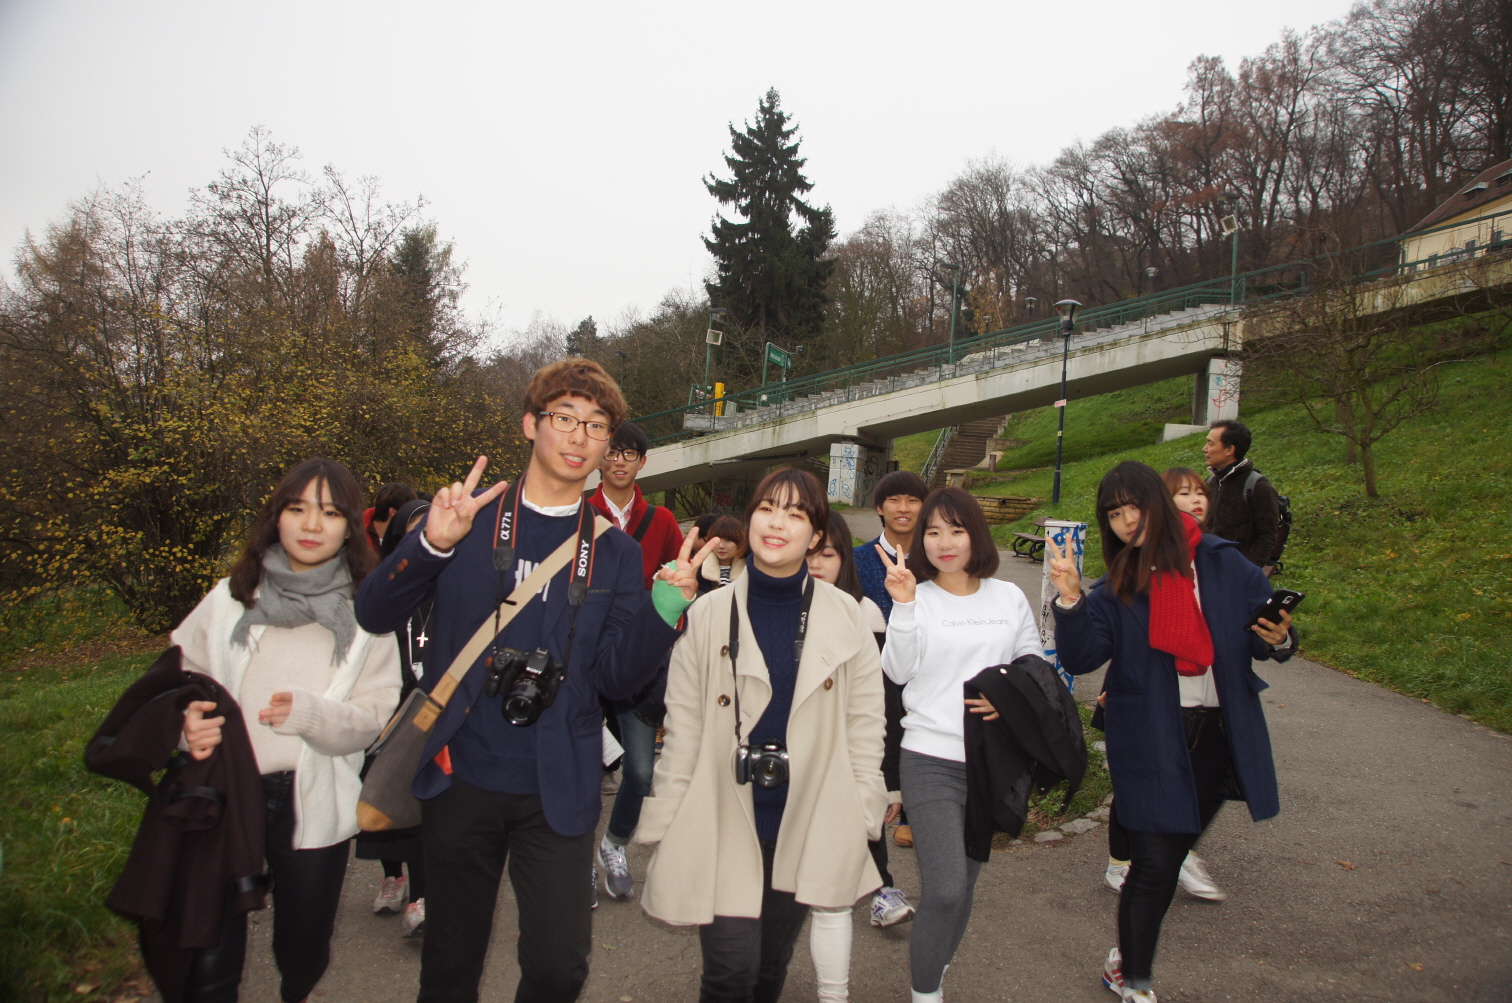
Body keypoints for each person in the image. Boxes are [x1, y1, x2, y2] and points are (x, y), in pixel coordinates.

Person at [354, 358, 717, 1003]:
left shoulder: (614, 551)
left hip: (559, 784)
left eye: (596, 426)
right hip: (460, 774)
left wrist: (665, 610)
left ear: (608, 445)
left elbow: (616, 679)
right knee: (449, 965)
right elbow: (374, 612)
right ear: (530, 424)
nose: (579, 437)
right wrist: (430, 546)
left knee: (558, 969)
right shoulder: (466, 522)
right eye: (564, 418)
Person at [636, 468, 888, 1003]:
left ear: (816, 536)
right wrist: (669, 811)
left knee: (771, 967)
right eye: (767, 509)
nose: (777, 524)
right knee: (730, 972)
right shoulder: (709, 614)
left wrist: (864, 804)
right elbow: (683, 725)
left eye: (795, 514)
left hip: (807, 812)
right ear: (750, 520)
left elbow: (865, 723)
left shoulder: (847, 616)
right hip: (723, 810)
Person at [1047, 460, 1294, 1003]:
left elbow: (1264, 630)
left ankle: (1124, 960)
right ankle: (1135, 978)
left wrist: (1280, 638)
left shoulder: (1223, 563)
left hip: (1220, 735)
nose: (1127, 521)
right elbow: (1082, 657)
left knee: (1169, 859)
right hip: (1153, 739)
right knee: (1156, 862)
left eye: (1134, 507)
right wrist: (1070, 600)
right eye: (1114, 514)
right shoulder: (1116, 588)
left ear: (1158, 503)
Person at [173, 457, 402, 1003]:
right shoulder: (230, 599)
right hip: (223, 792)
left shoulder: (368, 613)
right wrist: (185, 725)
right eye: (297, 509)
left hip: (309, 799)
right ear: (276, 516)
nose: (311, 524)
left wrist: (312, 716)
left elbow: (374, 716)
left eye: (330, 512)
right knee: (208, 956)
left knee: (303, 952)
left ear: (351, 526)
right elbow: (179, 679)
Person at [877, 487, 1042, 1003]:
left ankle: (936, 967)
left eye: (956, 530)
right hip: (930, 757)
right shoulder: (917, 597)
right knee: (946, 886)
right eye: (932, 532)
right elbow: (896, 671)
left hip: (991, 761)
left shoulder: (1007, 596)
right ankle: (926, 993)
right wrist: (904, 607)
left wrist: (1006, 699)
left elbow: (1032, 665)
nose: (944, 542)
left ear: (976, 535)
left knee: (966, 883)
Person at [805, 510, 915, 1001]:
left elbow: (884, 703)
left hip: (849, 749)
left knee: (861, 820)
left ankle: (880, 889)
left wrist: (890, 781)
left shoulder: (865, 611)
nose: (816, 564)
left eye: (827, 554)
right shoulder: (776, 606)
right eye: (809, 554)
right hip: (792, 757)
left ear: (844, 560)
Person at [1100, 469, 1226, 901]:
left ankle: (1175, 855)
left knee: (1204, 785)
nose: (1195, 500)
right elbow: (1122, 640)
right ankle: (1128, 863)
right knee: (1137, 787)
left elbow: (1245, 627)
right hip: (1155, 703)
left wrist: (1277, 636)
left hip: (1212, 701)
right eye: (1183, 493)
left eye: (1200, 492)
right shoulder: (1131, 571)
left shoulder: (1217, 559)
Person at [584, 419, 685, 901]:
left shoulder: (661, 521)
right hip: (583, 656)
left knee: (641, 771)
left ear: (643, 462)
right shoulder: (579, 513)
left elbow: (681, 583)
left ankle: (614, 843)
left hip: (638, 660)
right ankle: (575, 858)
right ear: (599, 457)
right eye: (612, 451)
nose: (619, 461)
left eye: (630, 453)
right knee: (579, 766)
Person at [357, 498, 434, 937]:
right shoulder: (383, 588)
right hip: (389, 708)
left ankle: (423, 897)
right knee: (384, 792)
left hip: (431, 709)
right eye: (412, 532)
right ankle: (393, 876)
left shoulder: (454, 585)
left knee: (424, 806)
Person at [851, 469, 927, 848]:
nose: (903, 508)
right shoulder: (859, 558)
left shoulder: (934, 558)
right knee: (881, 730)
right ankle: (878, 798)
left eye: (913, 500)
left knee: (919, 731)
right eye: (894, 500)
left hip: (924, 661)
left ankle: (915, 811)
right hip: (873, 662)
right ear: (879, 508)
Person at [1202, 420, 1280, 575]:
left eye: (1211, 444)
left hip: (1236, 572)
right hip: (1207, 569)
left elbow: (1267, 536)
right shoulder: (1209, 482)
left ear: (1229, 450)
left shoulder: (1258, 486)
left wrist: (1247, 571)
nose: (1204, 449)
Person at [364, 482, 418, 555]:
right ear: (393, 512)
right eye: (408, 512)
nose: (411, 518)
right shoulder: (355, 535)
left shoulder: (409, 537)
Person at [698, 515, 749, 593]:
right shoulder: (700, 569)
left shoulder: (749, 569)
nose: (721, 546)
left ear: (739, 542)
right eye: (717, 539)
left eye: (728, 540)